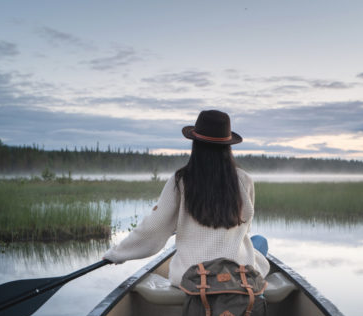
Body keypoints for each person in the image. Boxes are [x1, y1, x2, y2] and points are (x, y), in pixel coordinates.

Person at [103, 109, 269, 287]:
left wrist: (117, 254)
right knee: (259, 242)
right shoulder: (244, 180)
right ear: (228, 146)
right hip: (235, 275)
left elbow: (153, 229)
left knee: (256, 242)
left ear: (195, 144)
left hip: (190, 277)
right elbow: (246, 226)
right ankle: (254, 295)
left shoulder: (181, 180)